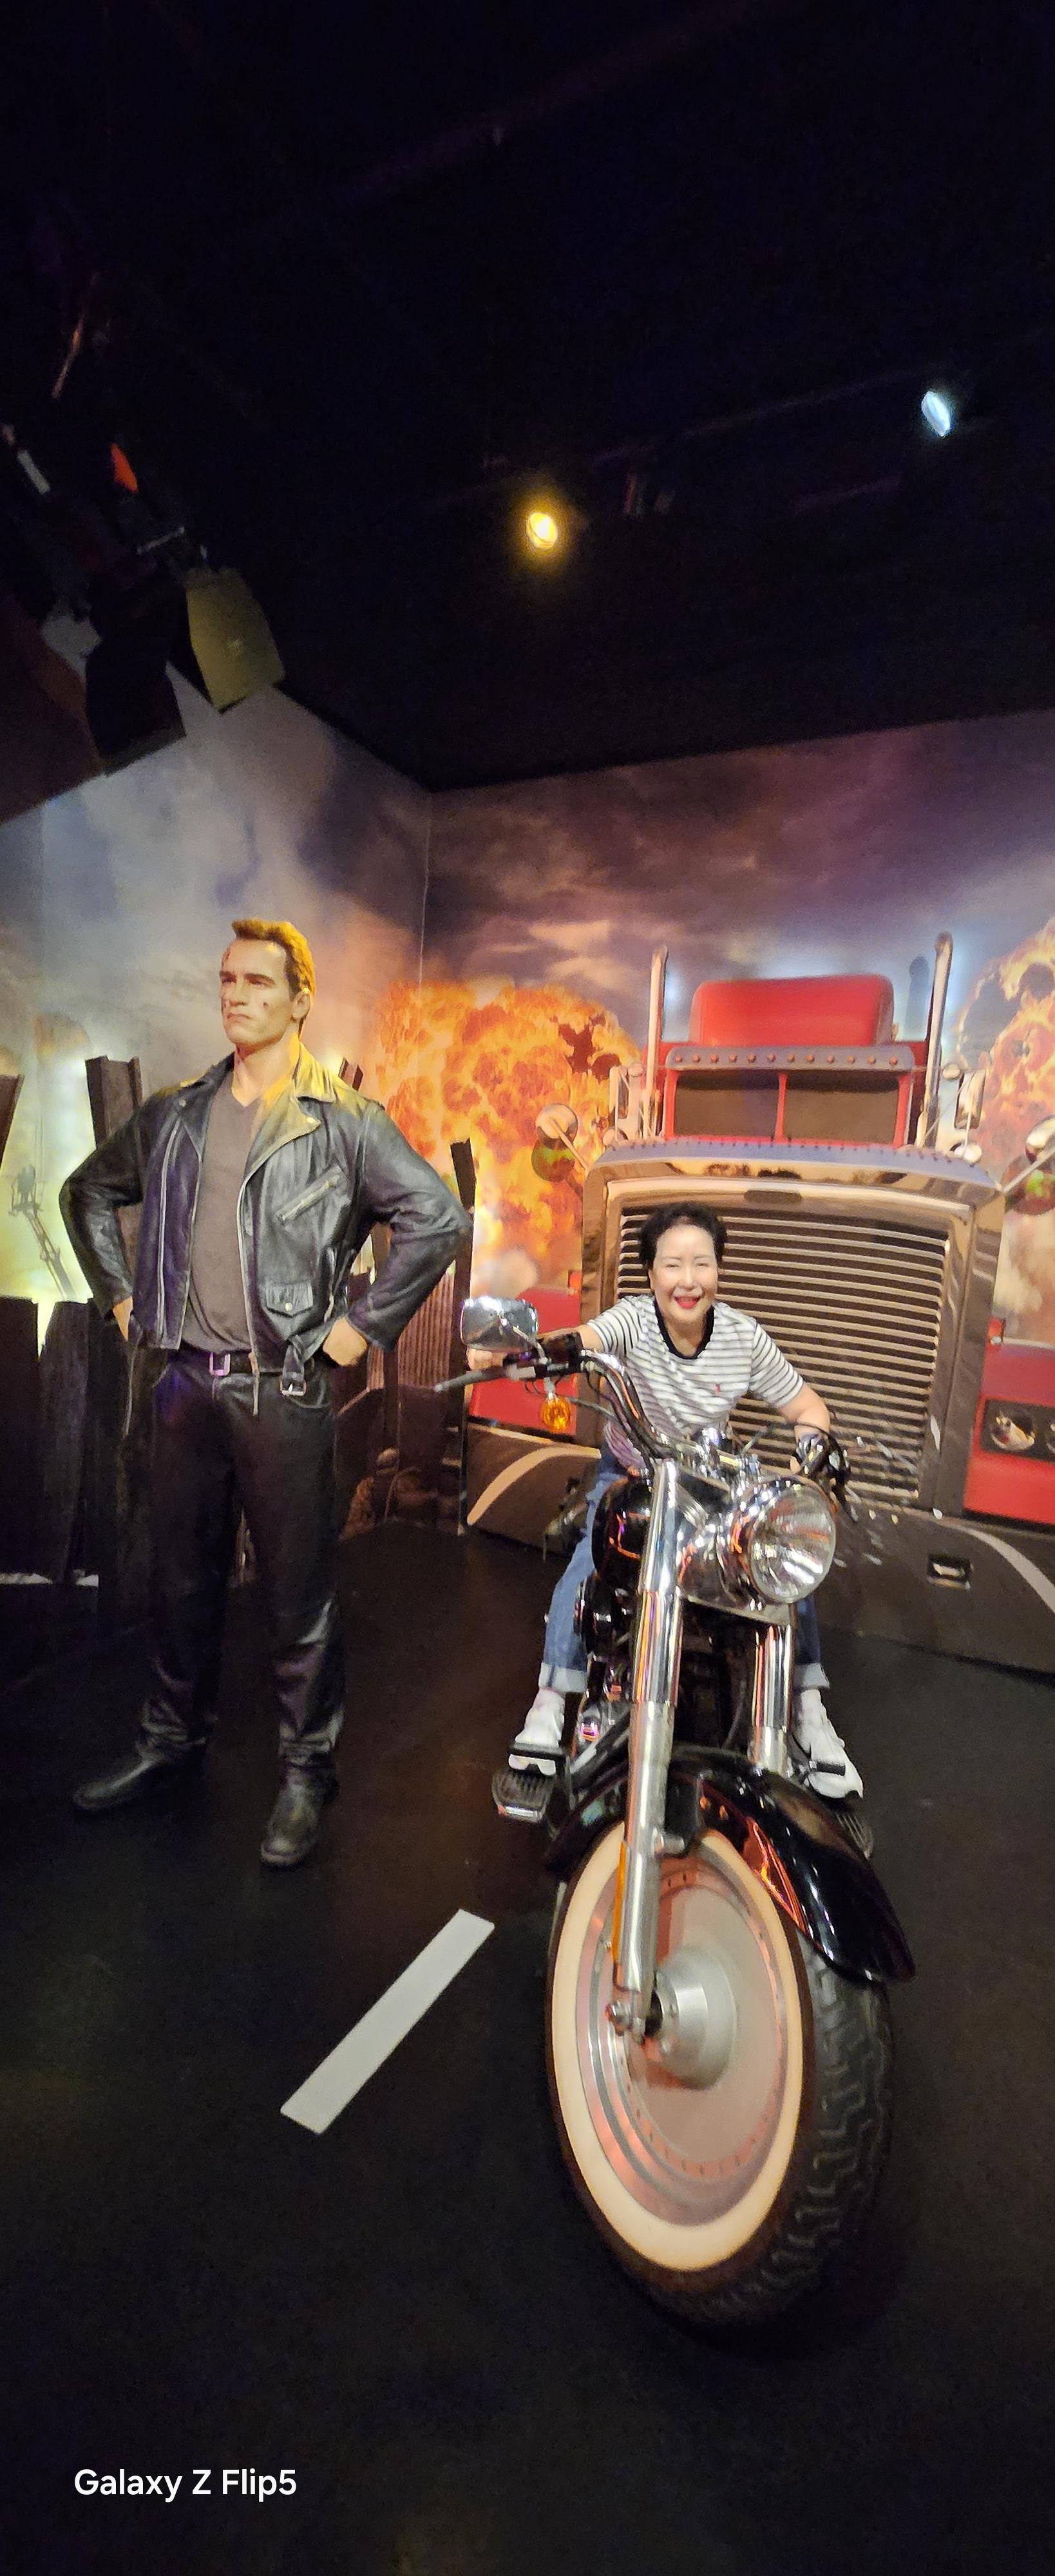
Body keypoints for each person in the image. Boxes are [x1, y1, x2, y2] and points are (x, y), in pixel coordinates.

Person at [61, 915, 471, 1868]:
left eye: (257, 981)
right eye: (227, 980)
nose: (236, 995)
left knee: (297, 1597)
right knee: (180, 1584)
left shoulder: (344, 1121)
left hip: (281, 1391)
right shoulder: (176, 1113)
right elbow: (87, 1192)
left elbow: (438, 1218)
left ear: (299, 999)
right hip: (183, 1386)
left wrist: (360, 1328)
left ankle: (305, 1775)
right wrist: (122, 1300)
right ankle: (170, 1743)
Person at [509, 1200, 863, 1802]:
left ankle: (808, 1711)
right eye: (673, 1265)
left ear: (719, 1270)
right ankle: (549, 1704)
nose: (688, 1280)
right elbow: (583, 1340)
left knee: (782, 1563)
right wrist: (530, 1352)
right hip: (632, 1470)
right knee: (589, 1560)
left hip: (710, 1480)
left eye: (702, 1263)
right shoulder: (632, 1321)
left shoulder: (743, 1337)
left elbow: (808, 1407)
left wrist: (812, 1451)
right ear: (651, 1274)